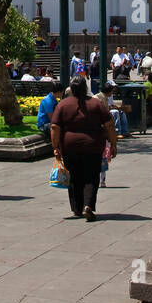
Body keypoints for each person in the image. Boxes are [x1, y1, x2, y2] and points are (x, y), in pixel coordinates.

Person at [50, 75, 118, 221]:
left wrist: (55, 146)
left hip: (70, 146)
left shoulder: (63, 104)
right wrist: (113, 144)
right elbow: (109, 124)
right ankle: (88, 205)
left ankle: (77, 208)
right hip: (93, 145)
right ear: (85, 89)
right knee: (91, 176)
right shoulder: (96, 104)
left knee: (74, 177)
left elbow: (55, 127)